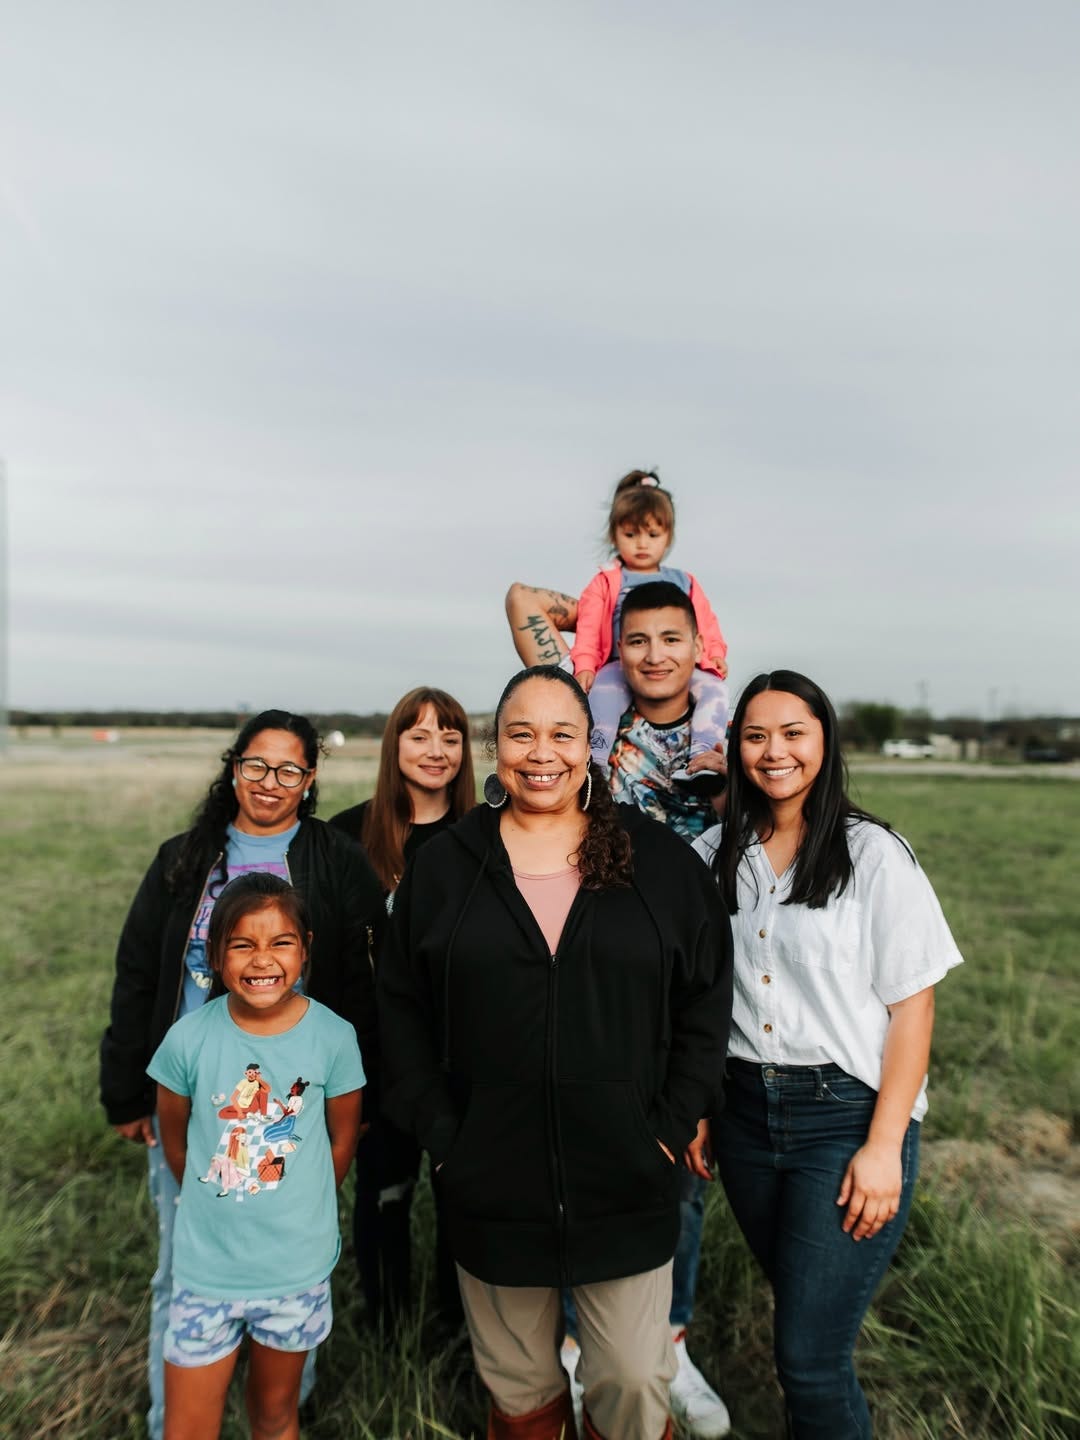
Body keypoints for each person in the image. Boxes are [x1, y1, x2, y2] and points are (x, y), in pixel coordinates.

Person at [378, 666, 733, 1440]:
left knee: (634, 1381)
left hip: (629, 1175)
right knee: (520, 1388)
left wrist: (670, 1126)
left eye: (563, 733)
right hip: (489, 1179)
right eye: (521, 733)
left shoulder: (658, 864)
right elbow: (398, 1005)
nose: (543, 753)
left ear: (591, 747)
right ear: (495, 747)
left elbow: (706, 1003)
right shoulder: (446, 867)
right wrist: (443, 1133)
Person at [692, 671, 963, 1439]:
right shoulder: (715, 853)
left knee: (809, 1358)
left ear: (824, 741)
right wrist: (705, 1107)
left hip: (844, 1120)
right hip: (744, 1115)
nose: (773, 751)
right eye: (754, 735)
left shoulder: (873, 854)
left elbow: (913, 1006)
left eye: (792, 733)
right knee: (805, 1320)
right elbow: (703, 998)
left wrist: (883, 1146)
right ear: (735, 748)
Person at [100, 709, 384, 1440]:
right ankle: (177, 1420)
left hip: (292, 1096)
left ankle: (284, 1407)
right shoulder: (183, 859)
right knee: (181, 1266)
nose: (270, 782)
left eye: (289, 769)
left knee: (293, 1270)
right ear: (233, 769)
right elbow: (138, 973)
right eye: (256, 765)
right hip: (196, 1093)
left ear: (311, 780)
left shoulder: (333, 860)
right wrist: (125, 1089)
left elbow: (356, 979)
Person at [148, 873, 364, 1440]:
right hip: (205, 1273)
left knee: (273, 1417)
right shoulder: (187, 1040)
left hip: (294, 1273)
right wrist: (219, 1192)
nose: (261, 959)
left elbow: (341, 1142)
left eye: (280, 942)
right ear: (216, 955)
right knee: (187, 1428)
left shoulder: (334, 1038)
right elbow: (176, 1142)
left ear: (306, 949)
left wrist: (300, 1201)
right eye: (242, 944)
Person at [330, 687, 476, 1329]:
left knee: (464, 1197)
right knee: (384, 1193)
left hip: (463, 1059)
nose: (436, 751)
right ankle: (384, 1321)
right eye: (419, 736)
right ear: (394, 746)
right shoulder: (346, 837)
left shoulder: (487, 836)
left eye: (450, 737)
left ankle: (455, 1325)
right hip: (375, 1061)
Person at [504, 470, 729, 775]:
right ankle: (593, 765)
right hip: (613, 666)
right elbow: (588, 630)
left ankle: (703, 759)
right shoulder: (606, 582)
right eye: (631, 534)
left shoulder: (684, 582)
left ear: (668, 536)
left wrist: (714, 654)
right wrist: (585, 664)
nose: (642, 544)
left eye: (652, 535)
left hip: (689, 686)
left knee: (715, 691)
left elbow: (705, 623)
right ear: (615, 535)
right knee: (602, 697)